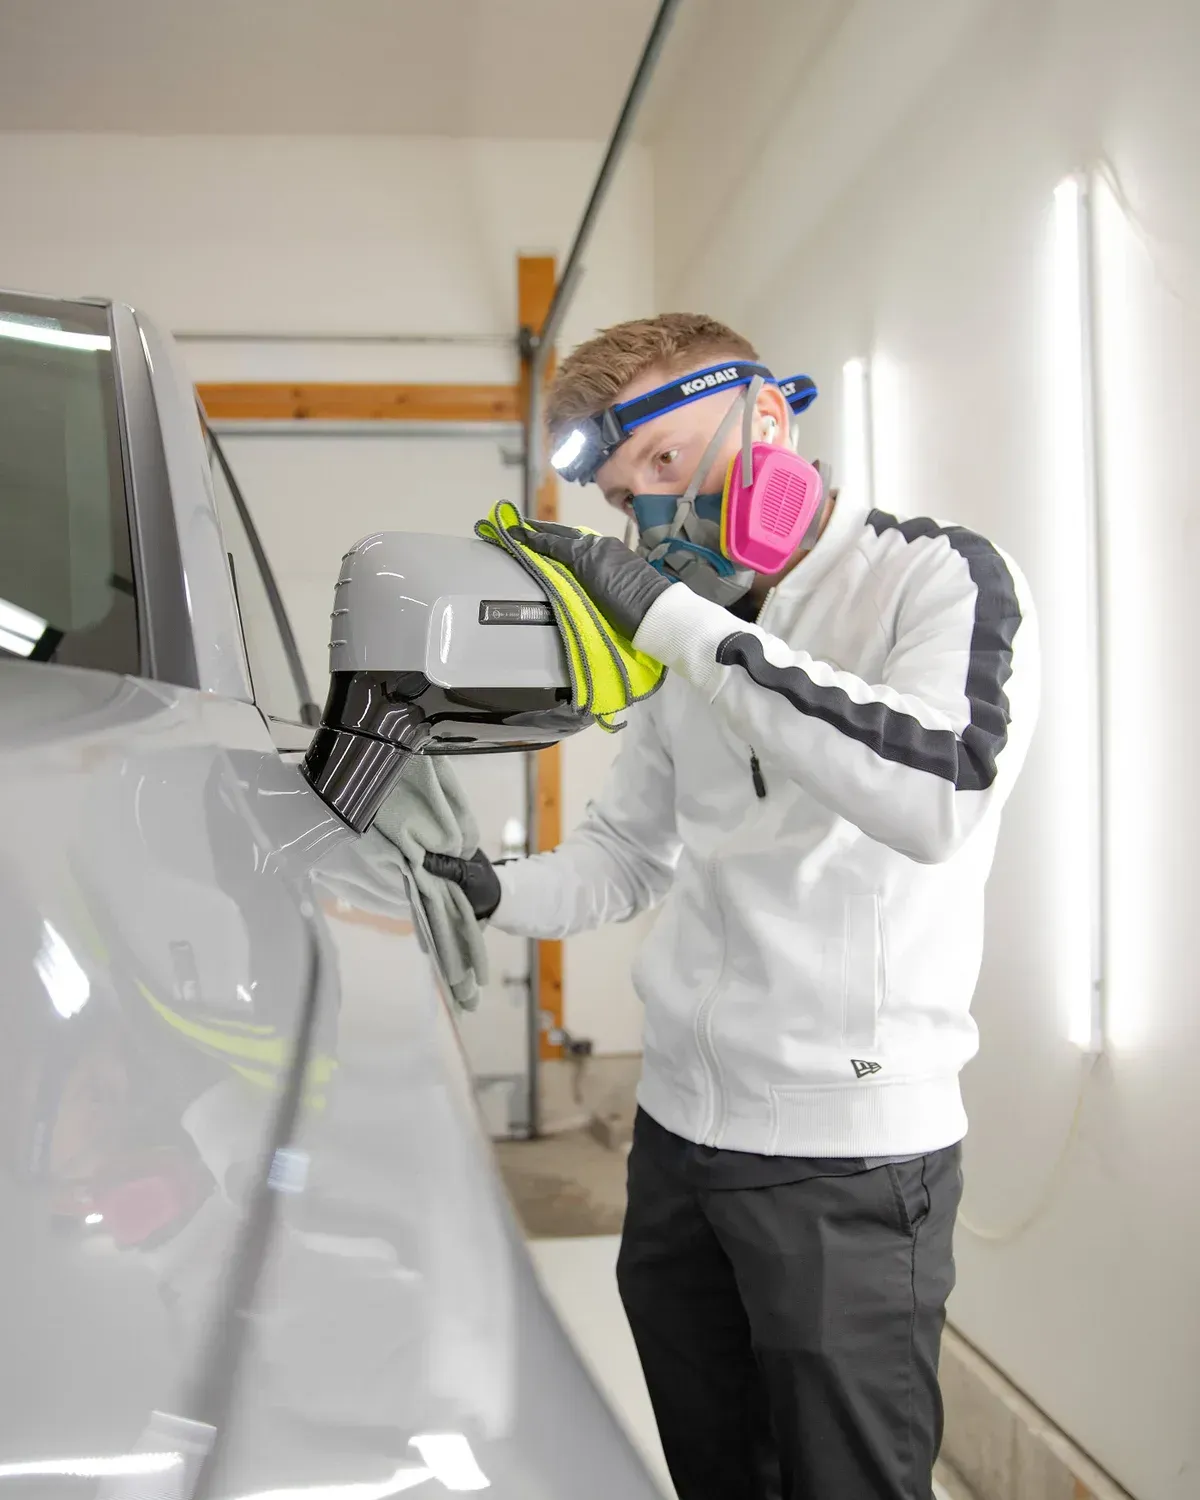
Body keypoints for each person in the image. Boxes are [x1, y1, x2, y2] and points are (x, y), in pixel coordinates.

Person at [424, 313, 1039, 1500]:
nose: (647, 516)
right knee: (718, 1475)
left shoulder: (935, 576)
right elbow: (625, 857)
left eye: (663, 463)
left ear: (770, 419)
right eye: (620, 495)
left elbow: (936, 790)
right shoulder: (685, 645)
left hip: (844, 1161)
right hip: (679, 1147)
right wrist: (488, 888)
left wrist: (680, 626)